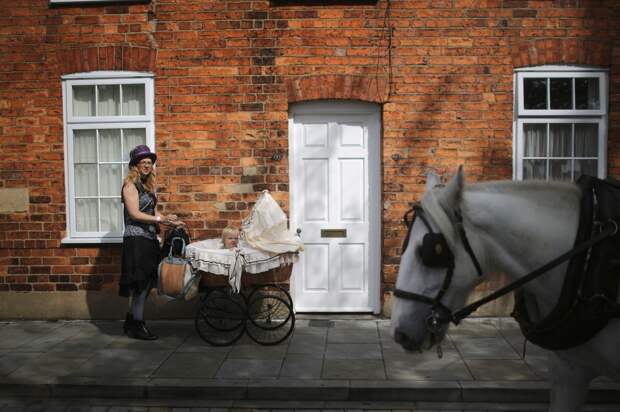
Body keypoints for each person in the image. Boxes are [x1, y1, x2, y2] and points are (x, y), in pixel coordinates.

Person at [119, 145, 184, 340]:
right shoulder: (130, 186)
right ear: (135, 165)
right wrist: (159, 221)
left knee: (146, 283)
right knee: (141, 284)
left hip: (148, 239)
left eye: (150, 162)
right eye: (143, 162)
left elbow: (153, 214)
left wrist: (169, 220)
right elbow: (134, 213)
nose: (147, 165)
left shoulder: (147, 187)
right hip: (136, 240)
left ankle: (131, 321)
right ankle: (138, 325)